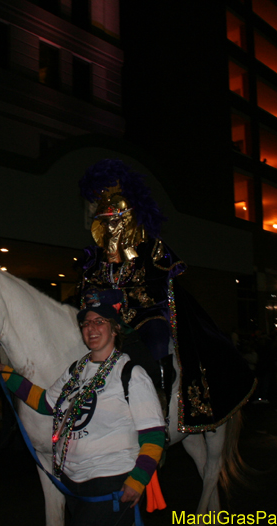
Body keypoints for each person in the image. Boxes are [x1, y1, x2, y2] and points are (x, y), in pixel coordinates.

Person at [76, 159, 255, 434]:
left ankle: (160, 400)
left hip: (146, 313)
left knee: (159, 340)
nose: (111, 226)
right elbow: (88, 289)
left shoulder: (151, 250)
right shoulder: (96, 259)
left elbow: (158, 286)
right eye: (106, 220)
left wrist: (124, 298)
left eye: (116, 220)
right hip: (106, 318)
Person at [0, 303, 165, 526]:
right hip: (73, 484)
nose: (91, 328)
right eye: (86, 323)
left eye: (99, 322)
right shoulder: (76, 370)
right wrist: (8, 375)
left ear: (114, 330)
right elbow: (46, 403)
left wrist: (138, 479)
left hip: (111, 484)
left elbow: (154, 435)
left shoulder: (132, 374)